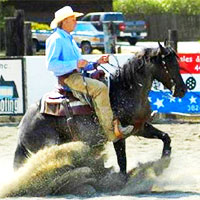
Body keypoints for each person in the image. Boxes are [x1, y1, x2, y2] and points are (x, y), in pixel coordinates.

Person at [46, 6, 133, 143]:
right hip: (69, 79)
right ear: (64, 21)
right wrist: (75, 64)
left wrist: (96, 62)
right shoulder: (56, 39)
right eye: (73, 19)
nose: (75, 22)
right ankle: (111, 132)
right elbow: (51, 64)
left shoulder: (69, 39)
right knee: (100, 89)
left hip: (77, 75)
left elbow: (82, 63)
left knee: (109, 84)